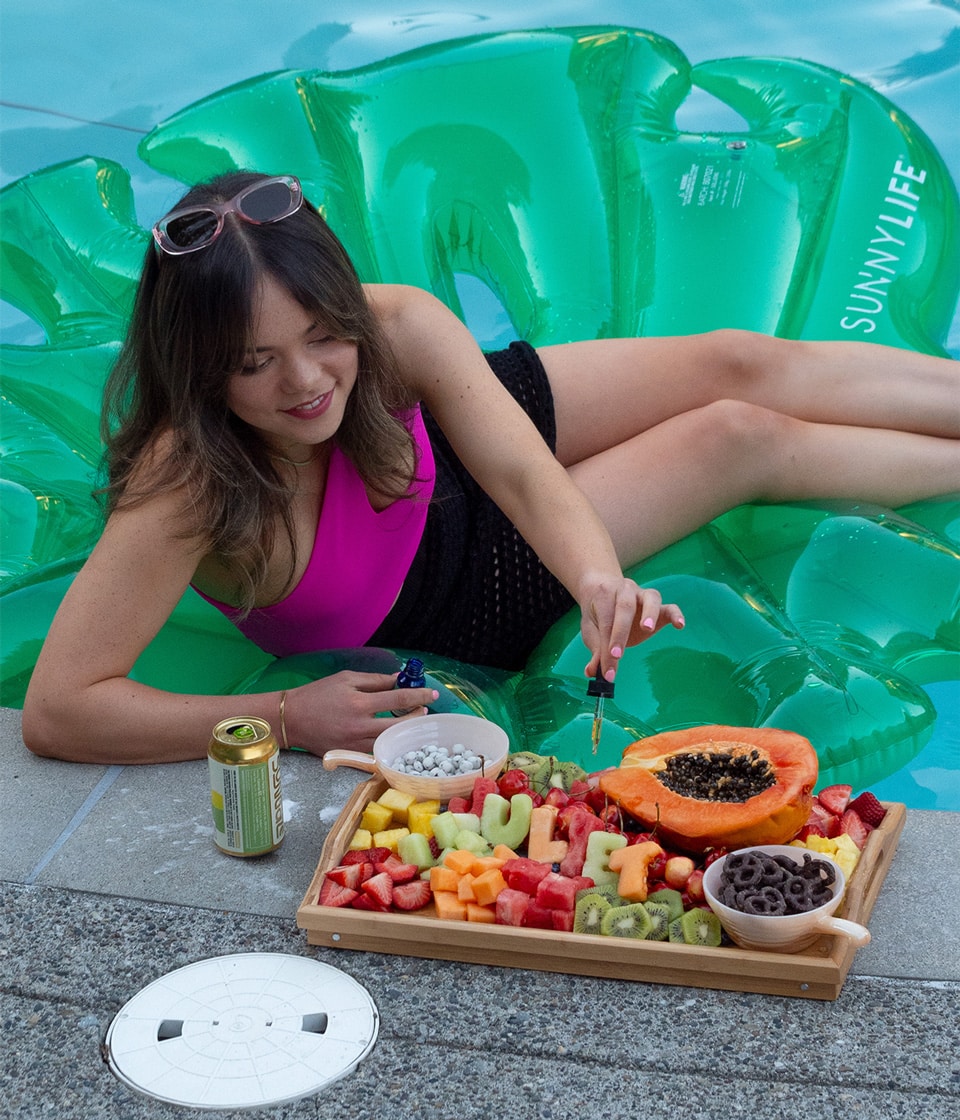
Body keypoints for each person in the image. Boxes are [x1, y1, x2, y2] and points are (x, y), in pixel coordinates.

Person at [22, 171, 959, 764]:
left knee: (734, 359)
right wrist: (284, 716)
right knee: (735, 435)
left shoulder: (389, 330)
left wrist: (597, 577)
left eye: (320, 335)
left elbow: (514, 467)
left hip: (440, 443)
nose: (305, 383)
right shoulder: (188, 483)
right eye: (254, 363)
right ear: (200, 367)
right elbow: (61, 712)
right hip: (461, 590)